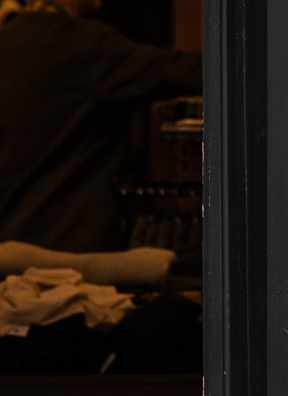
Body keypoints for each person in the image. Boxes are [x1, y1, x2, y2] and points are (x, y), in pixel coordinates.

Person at [0, 0, 202, 252]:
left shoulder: (7, 40)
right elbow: (183, 71)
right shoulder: (83, 43)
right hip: (67, 256)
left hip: (10, 255)